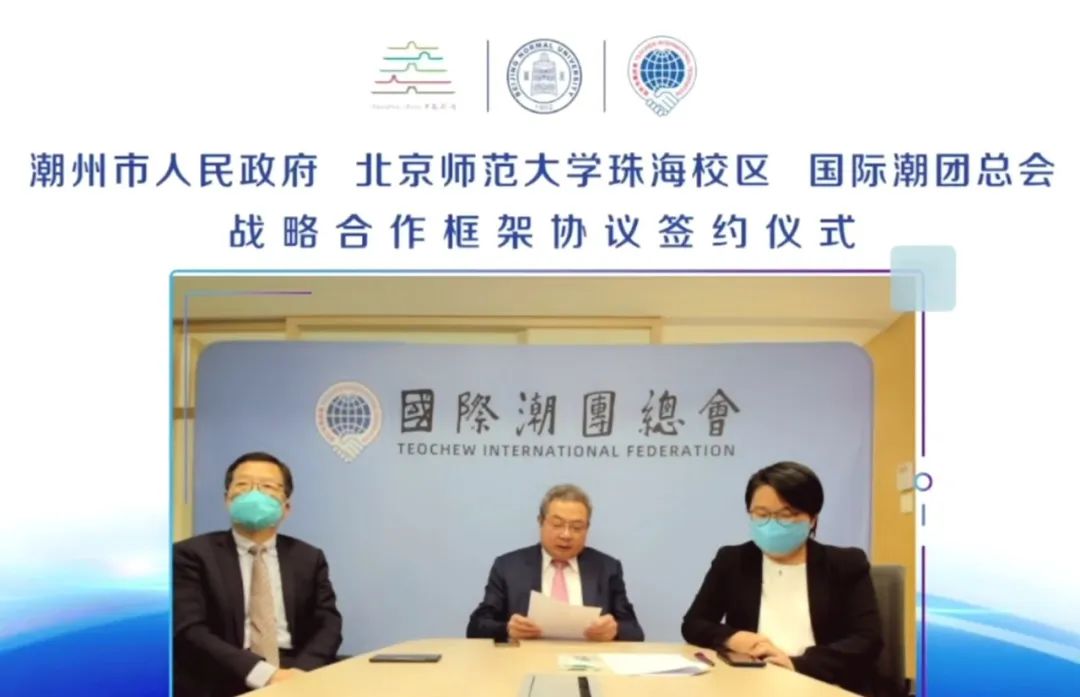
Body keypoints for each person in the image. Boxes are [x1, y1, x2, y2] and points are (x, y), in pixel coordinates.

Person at [681, 461, 883, 695]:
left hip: (824, 683)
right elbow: (694, 623)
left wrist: (797, 664)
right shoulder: (733, 560)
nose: (772, 525)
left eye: (786, 515)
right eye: (761, 514)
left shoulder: (845, 563)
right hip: (750, 684)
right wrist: (732, 638)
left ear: (812, 519)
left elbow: (867, 639)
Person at [173, 452, 343, 697]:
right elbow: (189, 629)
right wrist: (265, 675)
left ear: (286, 507)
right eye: (243, 484)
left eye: (267, 486)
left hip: (295, 672)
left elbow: (328, 624)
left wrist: (302, 673)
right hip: (222, 675)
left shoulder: (308, 557)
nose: (255, 494)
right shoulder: (190, 554)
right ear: (227, 500)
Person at [466, 484, 644, 642]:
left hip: (589, 660)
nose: (566, 535)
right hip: (525, 661)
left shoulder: (607, 568)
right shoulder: (508, 567)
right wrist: (507, 629)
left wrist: (615, 630)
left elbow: (635, 631)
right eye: (557, 524)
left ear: (587, 528)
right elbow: (476, 627)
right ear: (540, 522)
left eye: (576, 527)